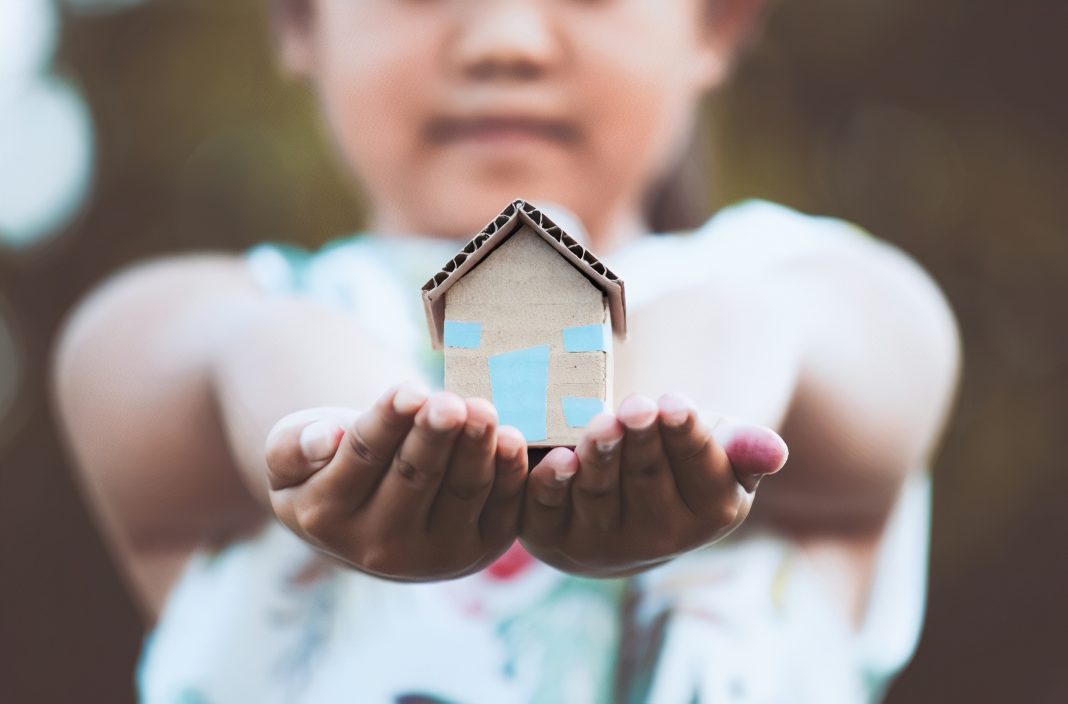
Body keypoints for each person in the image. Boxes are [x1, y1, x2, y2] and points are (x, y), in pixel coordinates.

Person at [50, 0, 960, 701]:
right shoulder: (240, 308)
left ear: (716, 23)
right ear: (297, 20)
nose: (505, 41)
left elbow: (853, 344)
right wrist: (351, 433)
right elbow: (162, 355)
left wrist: (670, 417)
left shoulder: (797, 278)